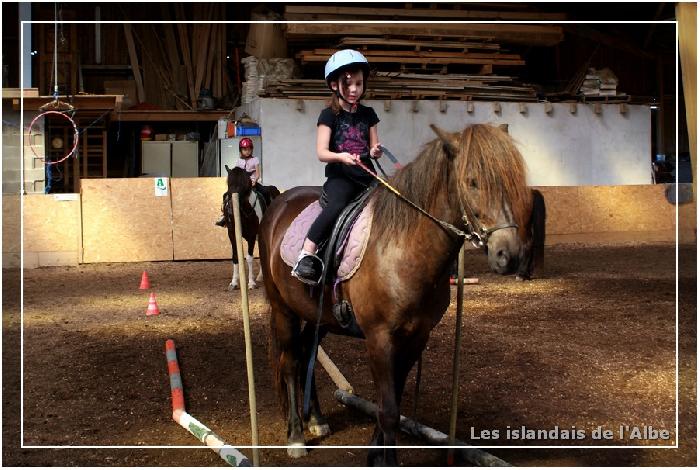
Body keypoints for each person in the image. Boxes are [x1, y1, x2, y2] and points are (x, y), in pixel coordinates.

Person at [291, 49, 383, 285]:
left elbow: (373, 146)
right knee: (337, 204)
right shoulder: (328, 115)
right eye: (348, 84)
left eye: (359, 84)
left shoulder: (369, 114)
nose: (354, 90)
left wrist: (375, 151)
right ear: (334, 85)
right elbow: (321, 153)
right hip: (341, 177)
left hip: (366, 174)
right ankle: (307, 254)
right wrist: (342, 157)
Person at [215, 137, 271, 226]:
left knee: (265, 192)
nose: (247, 151)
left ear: (251, 150)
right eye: (244, 149)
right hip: (243, 185)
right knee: (226, 195)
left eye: (249, 149)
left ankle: (268, 213)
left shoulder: (255, 159)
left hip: (253, 183)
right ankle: (225, 216)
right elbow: (237, 173)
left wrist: (255, 180)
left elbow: (257, 173)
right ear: (241, 150)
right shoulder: (239, 161)